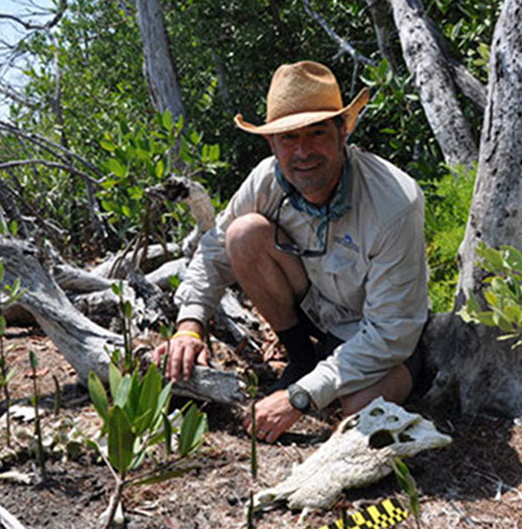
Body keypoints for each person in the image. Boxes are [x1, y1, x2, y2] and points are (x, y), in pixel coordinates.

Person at [153, 60, 429, 443]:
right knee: (243, 233)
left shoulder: (394, 202)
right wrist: (190, 325)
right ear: (272, 143)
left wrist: (301, 396)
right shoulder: (266, 180)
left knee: (358, 408)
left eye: (316, 134)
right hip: (318, 312)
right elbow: (215, 249)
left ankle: (413, 370)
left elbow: (391, 332)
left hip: (377, 332)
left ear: (342, 131)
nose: (303, 152)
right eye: (288, 138)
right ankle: (300, 356)